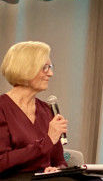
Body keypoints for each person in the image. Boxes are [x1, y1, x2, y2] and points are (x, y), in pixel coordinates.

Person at [0, 41, 68, 178]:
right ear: (25, 68)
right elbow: (2, 162)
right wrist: (47, 141)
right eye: (45, 68)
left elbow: (59, 160)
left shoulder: (45, 109)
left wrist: (57, 169)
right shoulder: (2, 107)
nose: (51, 74)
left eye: (50, 67)